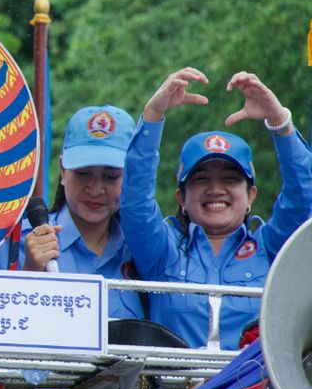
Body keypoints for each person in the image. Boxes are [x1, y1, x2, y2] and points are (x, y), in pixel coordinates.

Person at [121, 68, 312, 349]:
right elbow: (135, 203)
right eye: (201, 179)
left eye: (231, 179)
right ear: (181, 198)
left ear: (251, 196)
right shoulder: (162, 252)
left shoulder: (270, 248)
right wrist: (152, 115)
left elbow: (303, 195)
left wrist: (279, 121)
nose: (215, 189)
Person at [0, 106, 144, 320]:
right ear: (62, 170)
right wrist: (30, 272)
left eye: (111, 177)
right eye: (83, 173)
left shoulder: (142, 250)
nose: (96, 189)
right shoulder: (15, 243)